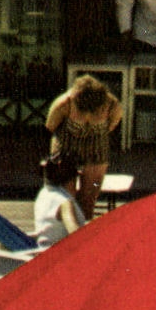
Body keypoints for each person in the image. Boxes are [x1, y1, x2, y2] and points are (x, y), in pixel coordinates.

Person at [45, 74, 122, 219]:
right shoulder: (65, 102)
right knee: (66, 198)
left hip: (97, 144)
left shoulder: (112, 104)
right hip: (66, 145)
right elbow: (51, 125)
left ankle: (84, 231)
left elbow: (112, 125)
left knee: (89, 198)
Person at [32, 153, 82, 248]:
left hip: (45, 250)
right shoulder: (64, 203)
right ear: (71, 181)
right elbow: (76, 235)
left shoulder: (44, 193)